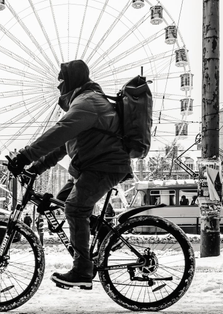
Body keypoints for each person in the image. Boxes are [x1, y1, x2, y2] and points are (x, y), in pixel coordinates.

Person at [7, 59, 132, 290]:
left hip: (105, 165)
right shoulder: (84, 102)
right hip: (91, 165)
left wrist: (24, 156)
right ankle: (103, 233)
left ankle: (83, 270)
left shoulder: (88, 102)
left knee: (75, 208)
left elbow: (59, 133)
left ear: (72, 81)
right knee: (63, 201)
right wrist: (35, 168)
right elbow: (62, 145)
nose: (57, 87)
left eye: (61, 80)